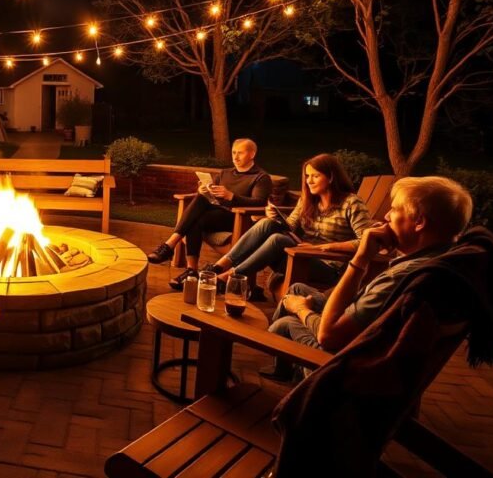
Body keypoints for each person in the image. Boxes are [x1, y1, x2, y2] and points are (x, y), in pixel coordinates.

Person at [260, 176, 474, 382]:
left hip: (350, 369)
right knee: (297, 289)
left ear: (419, 222)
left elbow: (328, 336)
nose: (387, 217)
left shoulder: (403, 277)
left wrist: (360, 259)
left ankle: (294, 378)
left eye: (395, 209)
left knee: (285, 323)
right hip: (381, 354)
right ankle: (287, 369)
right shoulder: (447, 262)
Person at [207, 153, 372, 295]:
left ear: (330, 177)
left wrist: (323, 248)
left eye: (315, 176)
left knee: (279, 239)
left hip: (329, 267)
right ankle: (219, 268)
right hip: (298, 256)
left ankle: (227, 277)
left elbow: (366, 242)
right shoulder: (307, 200)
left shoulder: (351, 203)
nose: (309, 181)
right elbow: (290, 225)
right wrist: (276, 217)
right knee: (267, 224)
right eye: (307, 176)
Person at [145, 138, 273, 286]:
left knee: (195, 216)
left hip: (238, 218)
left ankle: (169, 246)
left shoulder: (261, 177)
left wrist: (232, 196)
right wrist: (204, 190)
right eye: (233, 152)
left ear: (252, 154)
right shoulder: (225, 173)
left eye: (240, 153)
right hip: (216, 213)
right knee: (199, 207)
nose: (235, 157)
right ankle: (191, 270)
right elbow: (211, 194)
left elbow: (260, 203)